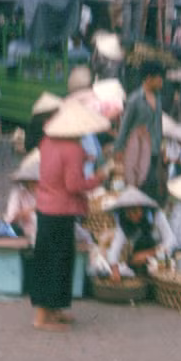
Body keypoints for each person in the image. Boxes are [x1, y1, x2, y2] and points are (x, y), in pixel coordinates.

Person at [31, 100, 109, 332]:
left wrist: (84, 159)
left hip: (46, 207)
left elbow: (56, 165)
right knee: (58, 262)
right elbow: (74, 184)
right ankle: (43, 318)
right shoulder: (73, 148)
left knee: (49, 260)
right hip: (61, 210)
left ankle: (52, 310)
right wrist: (98, 179)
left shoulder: (46, 141)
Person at [113, 61, 168, 199]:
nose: (162, 82)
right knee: (142, 187)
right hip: (138, 152)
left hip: (154, 151)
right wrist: (118, 149)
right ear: (149, 78)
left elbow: (158, 124)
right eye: (159, 78)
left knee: (153, 187)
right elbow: (124, 126)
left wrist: (162, 145)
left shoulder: (158, 98)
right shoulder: (135, 100)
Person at [105, 187, 175, 283]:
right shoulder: (124, 222)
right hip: (138, 260)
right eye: (128, 213)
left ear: (143, 208)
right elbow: (115, 248)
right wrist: (114, 269)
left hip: (161, 259)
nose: (132, 216)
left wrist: (150, 253)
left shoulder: (157, 215)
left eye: (135, 211)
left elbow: (171, 240)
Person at [5, 150, 40, 243]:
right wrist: (30, 210)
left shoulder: (49, 191)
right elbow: (10, 218)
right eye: (33, 181)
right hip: (22, 232)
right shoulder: (17, 192)